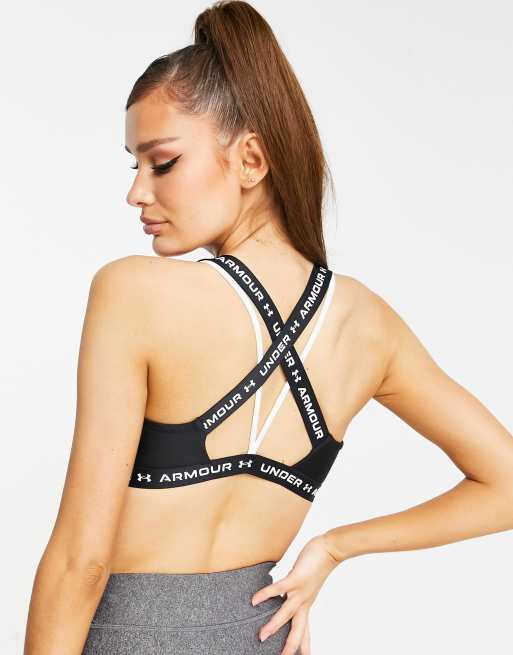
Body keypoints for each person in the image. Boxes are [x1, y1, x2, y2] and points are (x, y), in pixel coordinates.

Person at [23, 2, 513, 654]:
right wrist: (333, 547)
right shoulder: (367, 324)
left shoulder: (133, 291)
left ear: (251, 159)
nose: (136, 192)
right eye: (132, 166)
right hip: (261, 635)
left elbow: (78, 565)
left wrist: (337, 545)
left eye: (161, 163)